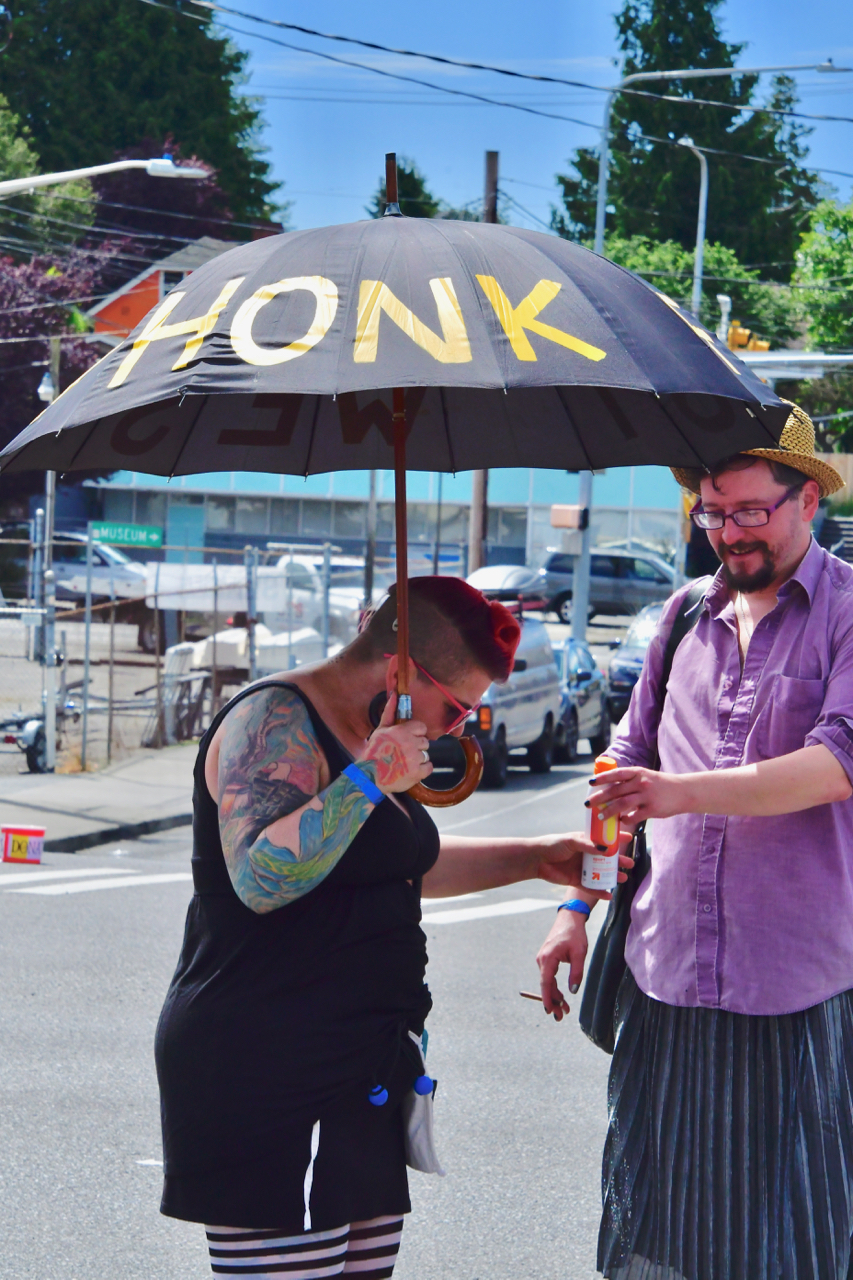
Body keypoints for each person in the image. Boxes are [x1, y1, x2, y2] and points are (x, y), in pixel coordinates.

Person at [156, 575, 617, 1280]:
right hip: (269, 1060)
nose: (460, 726)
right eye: (456, 706)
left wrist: (531, 858)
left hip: (361, 1060)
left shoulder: (369, 734)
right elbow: (260, 879)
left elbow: (389, 870)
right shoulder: (274, 720)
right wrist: (369, 776)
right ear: (401, 672)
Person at [535, 405, 853, 1280]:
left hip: (789, 980)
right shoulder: (681, 616)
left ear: (806, 502)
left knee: (788, 1234)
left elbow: (834, 763)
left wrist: (677, 793)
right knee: (650, 1224)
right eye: (712, 513)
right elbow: (623, 772)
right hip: (664, 969)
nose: (730, 533)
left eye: (751, 510)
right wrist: (577, 904)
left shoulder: (845, 614)